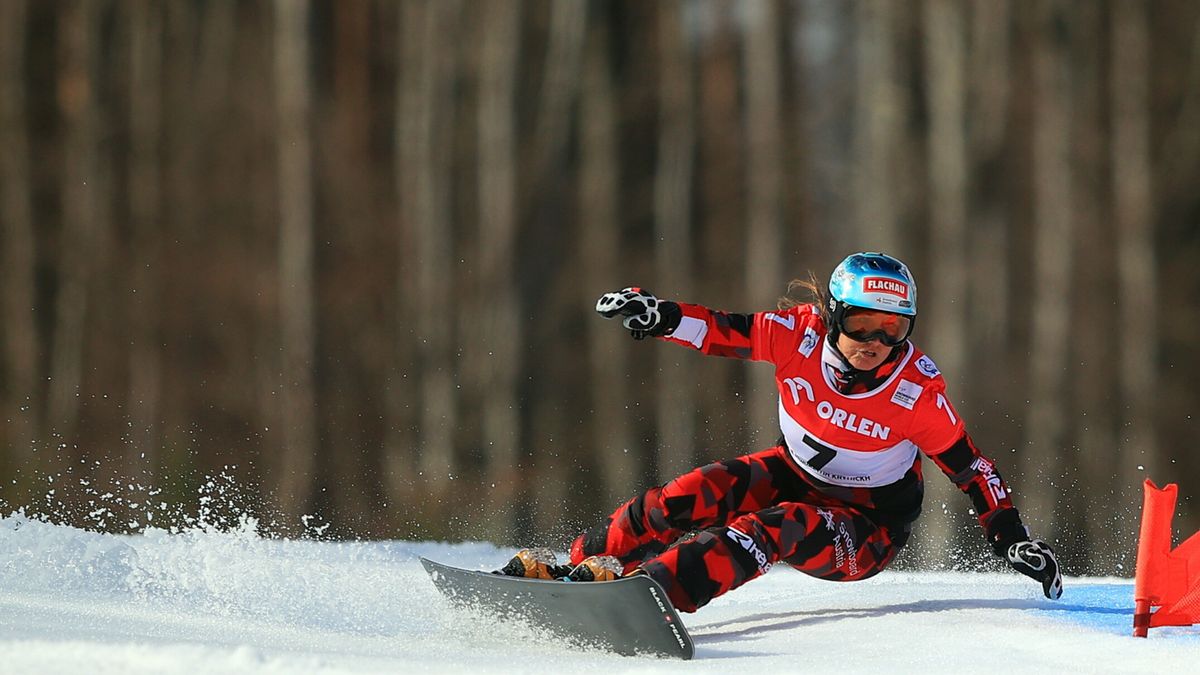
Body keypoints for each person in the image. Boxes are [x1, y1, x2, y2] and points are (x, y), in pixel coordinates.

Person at [500, 252, 1063, 612]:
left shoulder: (915, 391)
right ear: (832, 316)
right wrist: (663, 317)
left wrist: (1010, 537)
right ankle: (581, 566)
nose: (875, 342)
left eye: (893, 328)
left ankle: (654, 592)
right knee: (690, 493)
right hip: (793, 472)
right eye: (861, 323)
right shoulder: (797, 335)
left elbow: (973, 470)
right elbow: (724, 331)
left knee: (774, 528)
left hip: (867, 528)